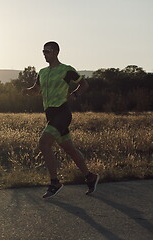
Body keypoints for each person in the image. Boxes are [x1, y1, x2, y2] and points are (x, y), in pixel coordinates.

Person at [24, 41, 99, 198]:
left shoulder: (66, 70)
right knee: (68, 148)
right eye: (43, 51)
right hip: (50, 114)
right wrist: (28, 91)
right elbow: (36, 89)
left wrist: (76, 94)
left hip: (62, 113)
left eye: (48, 51)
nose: (45, 53)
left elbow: (84, 84)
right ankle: (90, 176)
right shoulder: (42, 72)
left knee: (44, 143)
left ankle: (55, 182)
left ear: (56, 52)